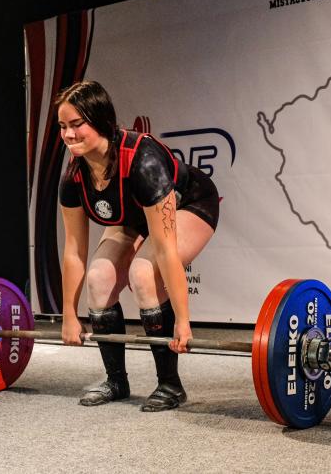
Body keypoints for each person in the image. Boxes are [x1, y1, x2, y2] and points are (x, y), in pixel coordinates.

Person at [57, 80, 219, 412]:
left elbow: (166, 250)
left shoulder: (143, 162)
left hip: (189, 201)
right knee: (99, 278)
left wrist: (183, 321)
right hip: (134, 214)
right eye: (62, 126)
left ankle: (170, 385)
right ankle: (116, 380)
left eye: (77, 124)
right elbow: (74, 252)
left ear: (100, 121)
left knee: (144, 273)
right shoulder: (74, 176)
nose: (68, 135)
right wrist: (69, 315)